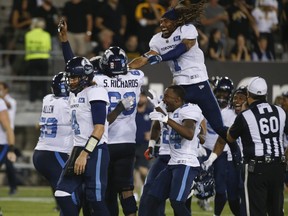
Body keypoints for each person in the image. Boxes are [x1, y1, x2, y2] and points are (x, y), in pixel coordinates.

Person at [128, 2, 241, 166]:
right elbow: (145, 58)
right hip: (180, 88)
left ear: (176, 22)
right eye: (161, 21)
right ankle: (157, 148)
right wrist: (126, 67)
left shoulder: (187, 29)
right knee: (161, 116)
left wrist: (161, 57)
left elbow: (184, 47)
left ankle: (236, 150)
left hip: (199, 84)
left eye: (166, 21)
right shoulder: (157, 40)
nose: (162, 24)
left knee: (218, 126)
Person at [59, 18, 144, 216]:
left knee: (102, 192)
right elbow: (135, 65)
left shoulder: (97, 82)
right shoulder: (136, 78)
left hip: (103, 142)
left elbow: (77, 67)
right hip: (128, 141)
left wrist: (65, 41)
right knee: (126, 190)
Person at [205, 77, 287, 216]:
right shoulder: (280, 111)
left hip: (257, 168)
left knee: (255, 210)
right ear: (265, 95)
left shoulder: (246, 115)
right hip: (278, 167)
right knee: (276, 211)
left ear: (248, 95)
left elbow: (229, 137)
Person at [54, 57, 110, 216]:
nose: (70, 81)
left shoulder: (96, 92)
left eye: (74, 77)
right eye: (69, 77)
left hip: (95, 150)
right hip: (78, 149)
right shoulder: (74, 95)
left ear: (85, 77)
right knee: (62, 193)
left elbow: (99, 129)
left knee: (95, 199)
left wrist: (85, 154)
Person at [145, 85, 203, 216]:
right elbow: (168, 122)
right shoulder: (172, 110)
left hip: (186, 163)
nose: (164, 100)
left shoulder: (190, 109)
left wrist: (165, 119)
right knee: (152, 198)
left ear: (177, 100)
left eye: (167, 97)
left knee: (177, 202)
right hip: (172, 163)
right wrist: (158, 108)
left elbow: (188, 133)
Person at [32, 72, 76, 214]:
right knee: (72, 195)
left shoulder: (47, 99)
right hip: (55, 152)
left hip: (42, 152)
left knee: (66, 196)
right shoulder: (67, 103)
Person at [25, 17, 51, 102]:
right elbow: (48, 47)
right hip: (43, 58)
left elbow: (27, 47)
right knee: (44, 79)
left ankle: (32, 98)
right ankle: (44, 97)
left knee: (33, 79)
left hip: (31, 58)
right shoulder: (46, 34)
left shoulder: (28, 34)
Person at [134, 91, 154, 200]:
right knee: (133, 170)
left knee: (142, 169)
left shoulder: (150, 112)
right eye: (139, 96)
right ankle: (136, 192)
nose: (140, 98)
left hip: (144, 145)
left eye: (142, 96)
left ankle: (149, 186)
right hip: (132, 143)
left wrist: (152, 134)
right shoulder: (132, 112)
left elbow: (157, 125)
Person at [0, 82, 18, 195]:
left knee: (9, 166)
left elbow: (7, 124)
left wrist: (11, 145)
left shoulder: (9, 102)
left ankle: (13, 187)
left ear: (6, 90)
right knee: (9, 165)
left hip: (5, 139)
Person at [0, 97, 16, 175]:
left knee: (9, 167)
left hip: (1, 142)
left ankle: (13, 187)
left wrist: (11, 148)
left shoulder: (1, 103)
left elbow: (7, 126)